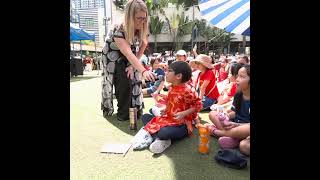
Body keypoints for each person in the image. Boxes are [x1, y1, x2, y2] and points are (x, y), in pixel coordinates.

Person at [101, 0, 155, 121]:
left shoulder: (142, 26)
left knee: (134, 78)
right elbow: (127, 53)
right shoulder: (118, 29)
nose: (143, 21)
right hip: (112, 56)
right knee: (123, 81)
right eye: (139, 18)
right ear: (129, 17)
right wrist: (144, 71)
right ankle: (123, 113)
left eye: (144, 18)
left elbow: (143, 46)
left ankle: (135, 108)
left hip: (130, 54)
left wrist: (132, 66)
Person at [133, 61, 202, 154]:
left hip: (182, 124)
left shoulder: (188, 90)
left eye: (169, 71)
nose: (166, 73)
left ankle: (161, 138)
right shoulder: (172, 87)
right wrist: (165, 110)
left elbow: (198, 105)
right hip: (168, 119)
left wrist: (183, 113)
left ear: (178, 76)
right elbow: (172, 102)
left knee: (164, 132)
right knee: (145, 117)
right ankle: (161, 140)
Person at [206, 64, 250, 149]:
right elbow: (235, 112)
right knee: (212, 114)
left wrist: (236, 125)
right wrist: (226, 115)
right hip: (234, 124)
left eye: (241, 77)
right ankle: (235, 137)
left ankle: (217, 132)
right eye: (237, 76)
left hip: (244, 127)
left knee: (244, 146)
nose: (237, 79)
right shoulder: (239, 95)